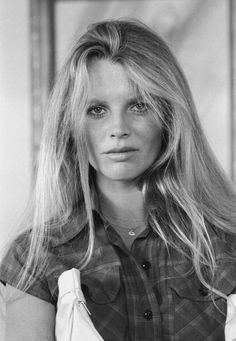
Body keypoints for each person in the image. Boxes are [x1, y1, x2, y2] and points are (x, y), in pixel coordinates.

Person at [1, 19, 236, 341]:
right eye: (97, 110)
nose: (118, 128)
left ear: (169, 118)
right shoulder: (36, 256)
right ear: (70, 125)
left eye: (139, 106)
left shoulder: (227, 243)